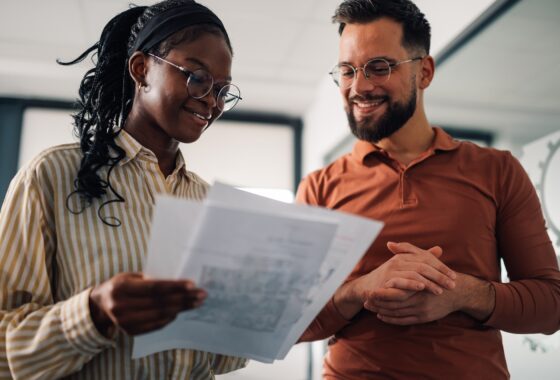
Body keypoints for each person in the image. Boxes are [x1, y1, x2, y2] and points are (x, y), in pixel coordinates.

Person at [297, 0, 560, 378]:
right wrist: (359, 291)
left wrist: (464, 293)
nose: (359, 86)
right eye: (347, 70)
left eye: (379, 67)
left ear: (424, 72)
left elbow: (551, 306)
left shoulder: (498, 171)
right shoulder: (319, 187)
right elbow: (291, 323)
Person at [0, 1, 246, 378]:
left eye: (223, 90)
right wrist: (94, 312)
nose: (212, 101)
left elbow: (220, 360)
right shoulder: (51, 176)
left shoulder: (209, 203)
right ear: (142, 69)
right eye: (198, 78)